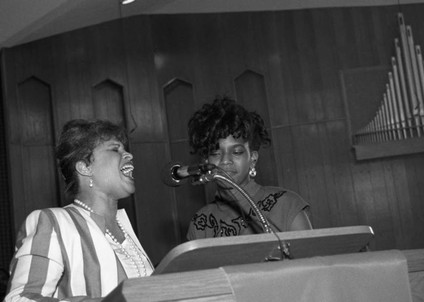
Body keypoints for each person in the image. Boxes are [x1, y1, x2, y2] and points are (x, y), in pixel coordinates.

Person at [4, 119, 154, 301]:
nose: (129, 155)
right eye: (115, 149)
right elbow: (20, 299)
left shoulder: (124, 228)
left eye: (125, 149)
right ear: (84, 167)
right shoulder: (53, 223)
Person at [186, 96, 312, 240]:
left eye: (237, 152)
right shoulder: (200, 222)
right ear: (207, 161)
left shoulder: (286, 205)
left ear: (252, 158)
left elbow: (312, 261)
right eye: (216, 153)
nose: (225, 160)